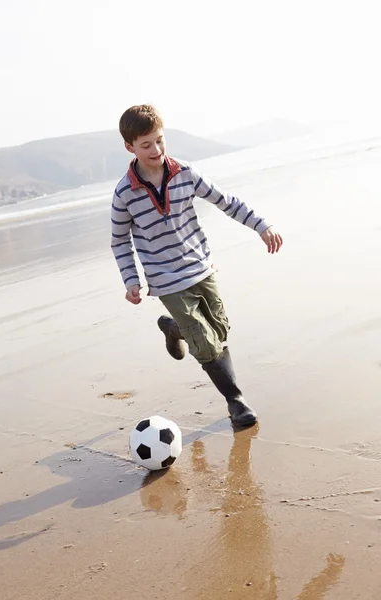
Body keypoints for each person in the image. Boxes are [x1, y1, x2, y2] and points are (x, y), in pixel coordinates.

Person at [111, 104, 283, 427]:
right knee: (205, 343)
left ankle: (177, 329)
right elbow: (119, 240)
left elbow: (226, 202)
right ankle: (236, 401)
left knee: (219, 331)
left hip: (201, 267)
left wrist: (261, 226)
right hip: (165, 280)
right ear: (129, 147)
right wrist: (130, 279)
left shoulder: (185, 173)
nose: (156, 150)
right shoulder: (124, 194)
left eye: (160, 140)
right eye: (146, 144)